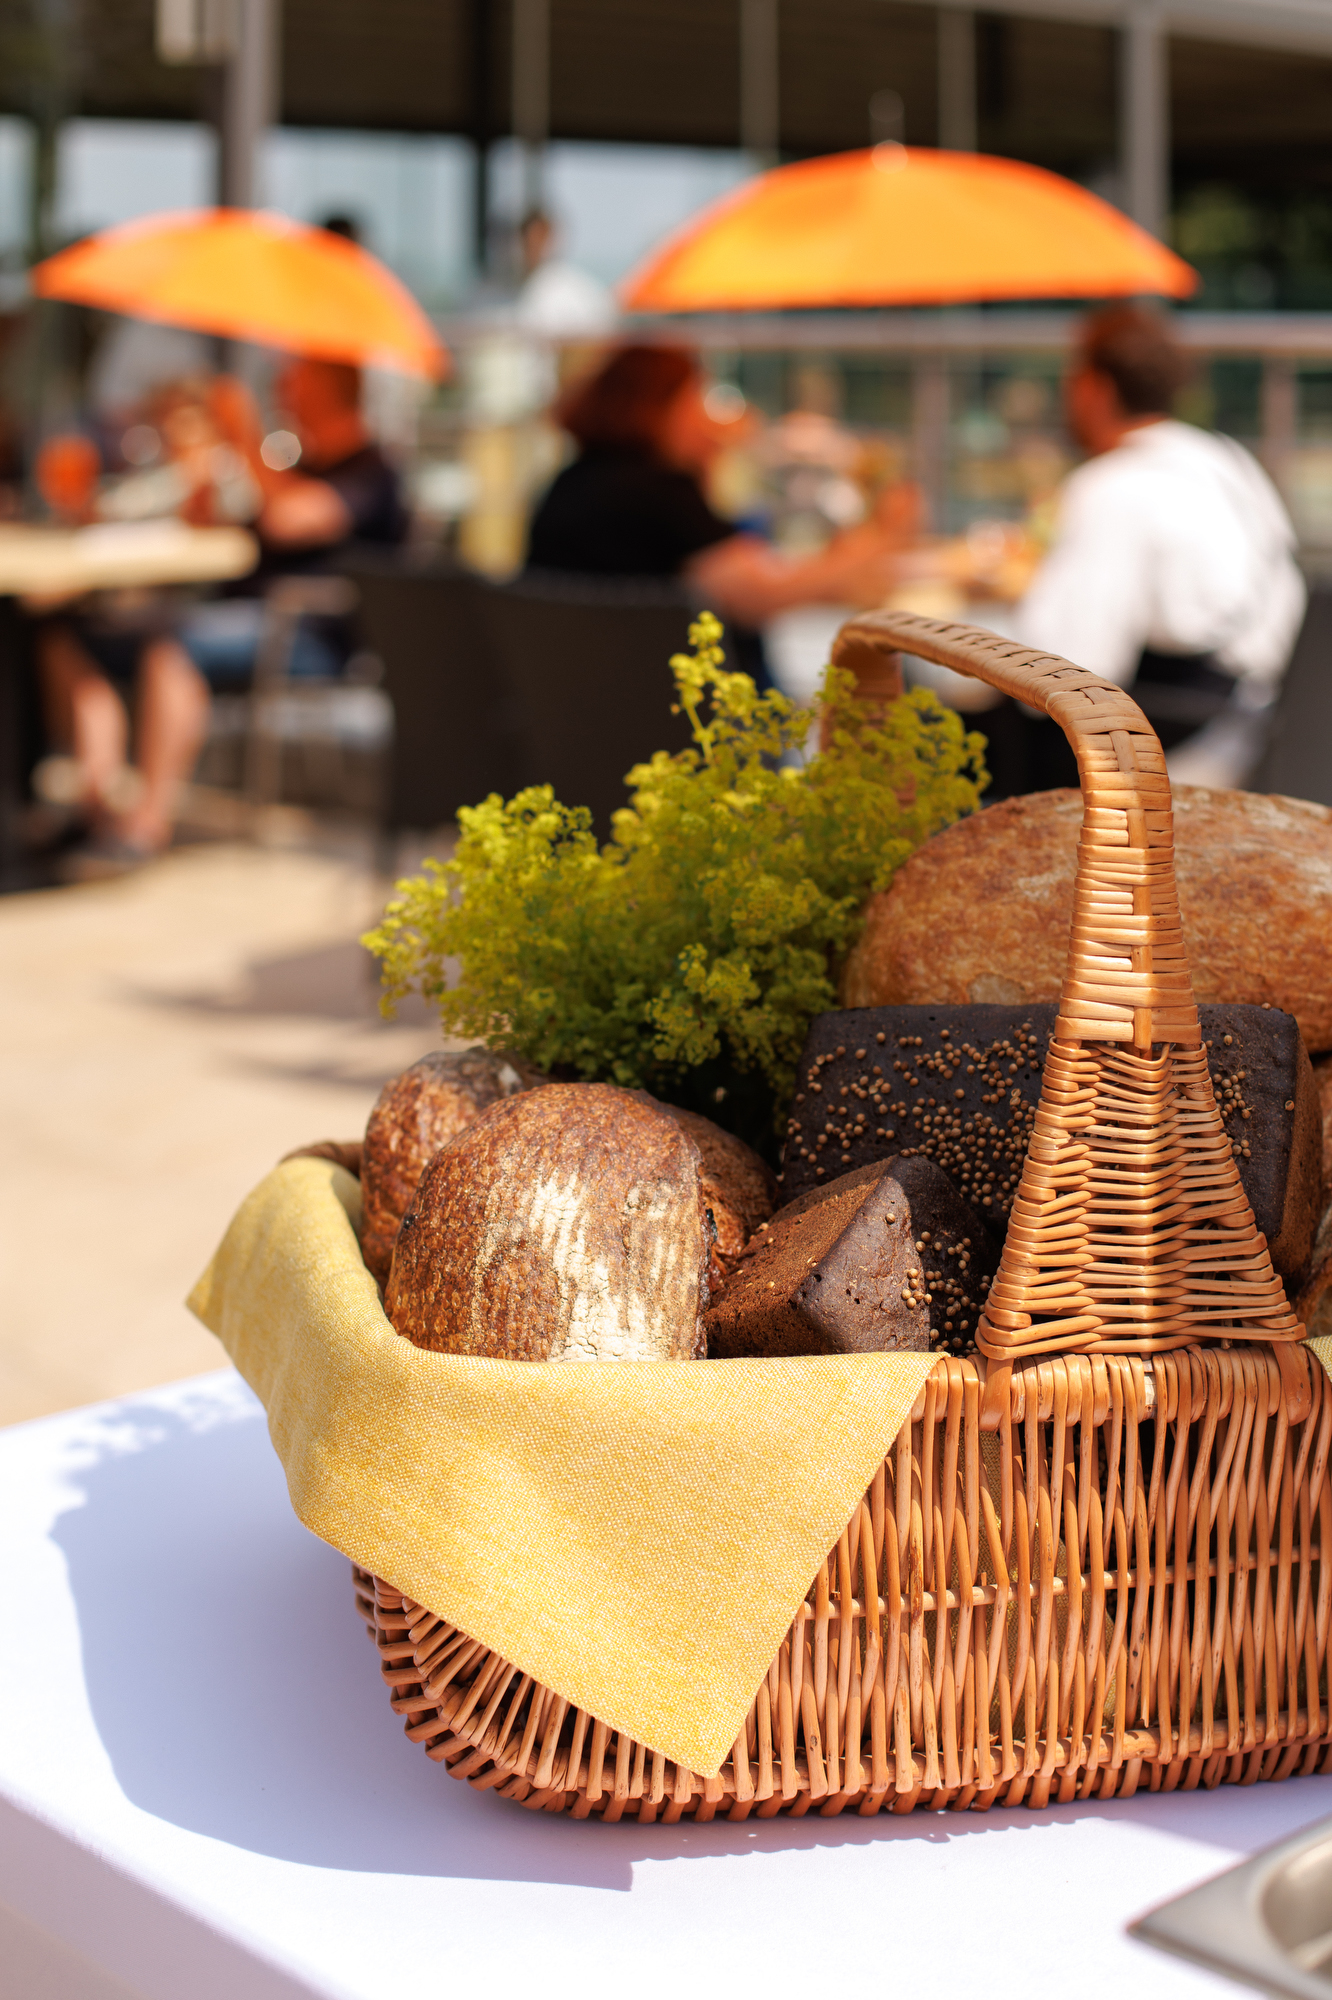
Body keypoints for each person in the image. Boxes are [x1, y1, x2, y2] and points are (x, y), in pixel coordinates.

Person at [1014, 303, 1305, 788]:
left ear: (1095, 388)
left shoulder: (1113, 485)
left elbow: (1063, 668)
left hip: (1189, 745)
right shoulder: (1229, 461)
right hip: (1268, 723)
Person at [526, 344, 903, 643]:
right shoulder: (657, 493)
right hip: (676, 704)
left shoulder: (572, 482)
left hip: (585, 692)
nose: (709, 418)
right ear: (661, 406)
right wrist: (879, 540)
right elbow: (758, 597)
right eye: (698, 400)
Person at [180, 354, 408, 686]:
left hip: (307, 633)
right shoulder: (305, 467)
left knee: (172, 643)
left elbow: (284, 521)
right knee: (117, 636)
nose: (284, 395)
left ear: (330, 391)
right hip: (252, 614)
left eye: (295, 384)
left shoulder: (371, 474)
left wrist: (244, 433)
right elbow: (238, 525)